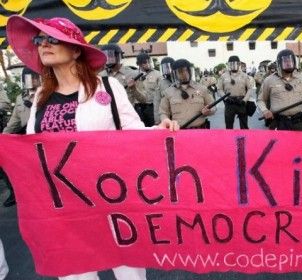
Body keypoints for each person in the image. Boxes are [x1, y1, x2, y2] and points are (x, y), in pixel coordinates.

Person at [6, 15, 178, 280]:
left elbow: (131, 132)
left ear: (76, 50)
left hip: (111, 197)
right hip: (63, 205)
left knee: (128, 271)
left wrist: (160, 129)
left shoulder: (108, 87)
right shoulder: (41, 95)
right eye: (39, 39)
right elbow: (33, 148)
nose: (44, 44)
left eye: (53, 39)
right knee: (76, 274)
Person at [1, 67, 41, 208]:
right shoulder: (20, 98)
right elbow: (14, 123)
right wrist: (2, 139)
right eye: (28, 78)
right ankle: (16, 193)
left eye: (34, 77)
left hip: (44, 140)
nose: (32, 81)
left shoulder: (47, 93)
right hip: (26, 140)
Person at [257, 49, 302, 131]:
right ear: (279, 63)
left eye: (291, 61)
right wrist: (265, 111)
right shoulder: (269, 80)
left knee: (298, 144)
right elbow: (261, 100)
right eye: (285, 61)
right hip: (278, 122)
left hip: (298, 123)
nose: (289, 63)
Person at [159, 59, 215, 129]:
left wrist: (209, 111)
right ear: (175, 73)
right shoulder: (168, 92)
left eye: (186, 70)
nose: (184, 73)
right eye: (180, 71)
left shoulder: (202, 88)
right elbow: (163, 112)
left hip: (200, 131)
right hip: (179, 131)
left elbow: (213, 106)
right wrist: (165, 120)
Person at [217, 55, 254, 129]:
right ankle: (229, 139)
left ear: (239, 64)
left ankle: (244, 139)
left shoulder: (244, 75)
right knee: (229, 126)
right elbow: (219, 89)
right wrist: (226, 98)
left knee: (244, 126)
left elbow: (250, 89)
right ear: (228, 65)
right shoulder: (223, 76)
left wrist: (244, 100)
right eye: (231, 64)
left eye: (235, 64)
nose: (233, 66)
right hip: (229, 103)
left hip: (241, 102)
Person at [134, 52, 162, 126]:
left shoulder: (157, 74)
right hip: (138, 107)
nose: (147, 64)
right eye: (144, 62)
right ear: (139, 64)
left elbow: (162, 92)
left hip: (151, 107)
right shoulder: (134, 75)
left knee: (153, 129)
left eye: (148, 61)